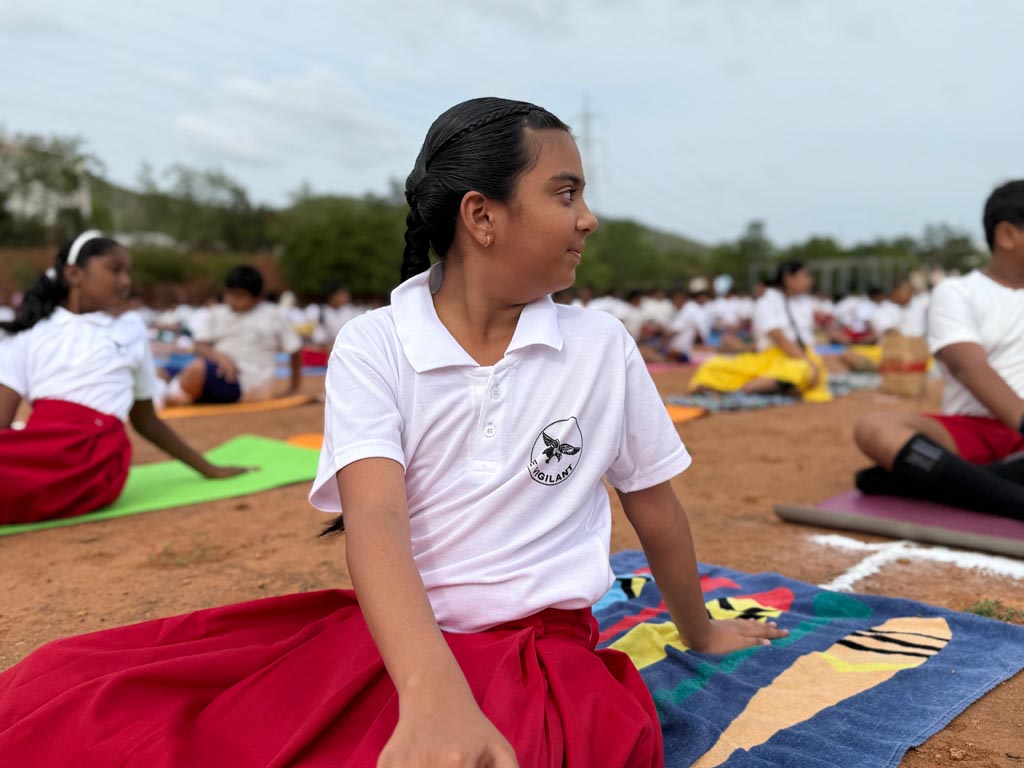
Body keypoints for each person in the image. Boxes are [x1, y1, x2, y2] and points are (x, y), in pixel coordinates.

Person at [0, 98, 785, 767]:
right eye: (565, 191)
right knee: (111, 715)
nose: (589, 217)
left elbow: (654, 504)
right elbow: (375, 516)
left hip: (543, 658)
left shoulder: (601, 345)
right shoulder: (376, 344)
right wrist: (430, 691)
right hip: (400, 645)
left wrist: (702, 629)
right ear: (481, 216)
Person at [0, 231, 245, 524]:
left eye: (128, 272)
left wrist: (208, 468)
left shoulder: (130, 328)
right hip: (43, 450)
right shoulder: (27, 333)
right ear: (74, 274)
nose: (126, 281)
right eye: (114, 269)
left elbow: (146, 420)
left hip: (98, 459)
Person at [853, 180, 1024, 517]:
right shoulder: (958, 292)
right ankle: (1011, 498)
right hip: (972, 430)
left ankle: (940, 483)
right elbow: (968, 366)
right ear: (1007, 235)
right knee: (874, 427)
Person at [688, 260, 831, 401]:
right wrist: (808, 362)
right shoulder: (768, 301)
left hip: (793, 357)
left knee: (803, 369)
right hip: (772, 357)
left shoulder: (798, 302)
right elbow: (778, 338)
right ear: (789, 278)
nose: (809, 281)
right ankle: (744, 391)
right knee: (713, 366)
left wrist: (809, 361)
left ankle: (753, 389)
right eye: (805, 276)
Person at [163, 265, 303, 405]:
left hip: (243, 381)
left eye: (239, 296)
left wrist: (294, 386)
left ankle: (169, 396)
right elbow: (199, 345)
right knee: (160, 371)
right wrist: (219, 357)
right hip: (216, 369)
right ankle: (168, 392)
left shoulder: (273, 315)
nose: (232, 300)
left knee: (197, 369)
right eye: (229, 293)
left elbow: (294, 349)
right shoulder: (217, 313)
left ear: (258, 297)